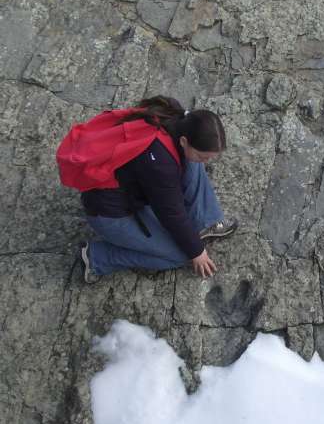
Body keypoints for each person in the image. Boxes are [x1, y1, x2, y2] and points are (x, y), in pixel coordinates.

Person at [78, 96, 237, 284]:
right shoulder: (160, 166)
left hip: (136, 188)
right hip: (111, 215)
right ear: (184, 140)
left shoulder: (177, 116)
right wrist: (197, 252)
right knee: (180, 255)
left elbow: (171, 202)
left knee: (194, 163)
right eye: (204, 156)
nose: (207, 162)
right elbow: (171, 214)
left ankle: (204, 222)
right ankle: (96, 257)